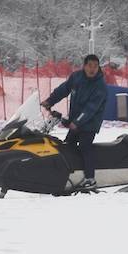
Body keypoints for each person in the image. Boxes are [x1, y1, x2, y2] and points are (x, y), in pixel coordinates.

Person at [41, 54, 109, 189]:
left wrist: (77, 122)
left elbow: (91, 108)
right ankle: (69, 174)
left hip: (90, 122)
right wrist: (50, 101)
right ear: (84, 66)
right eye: (90, 65)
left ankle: (90, 178)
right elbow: (63, 90)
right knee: (68, 146)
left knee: (85, 146)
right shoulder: (76, 77)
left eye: (95, 66)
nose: (92, 69)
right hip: (76, 120)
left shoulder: (100, 85)